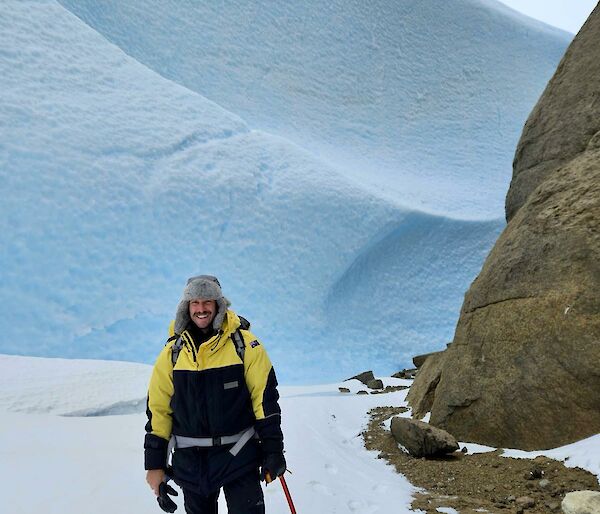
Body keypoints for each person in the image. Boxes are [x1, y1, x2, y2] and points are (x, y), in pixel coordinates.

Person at [144, 275, 286, 514]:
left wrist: (273, 450)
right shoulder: (172, 353)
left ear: (219, 304)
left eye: (207, 301)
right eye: (195, 302)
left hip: (239, 456)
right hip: (191, 463)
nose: (201, 309)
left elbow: (264, 401)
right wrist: (155, 465)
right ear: (186, 307)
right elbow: (158, 411)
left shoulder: (246, 345)